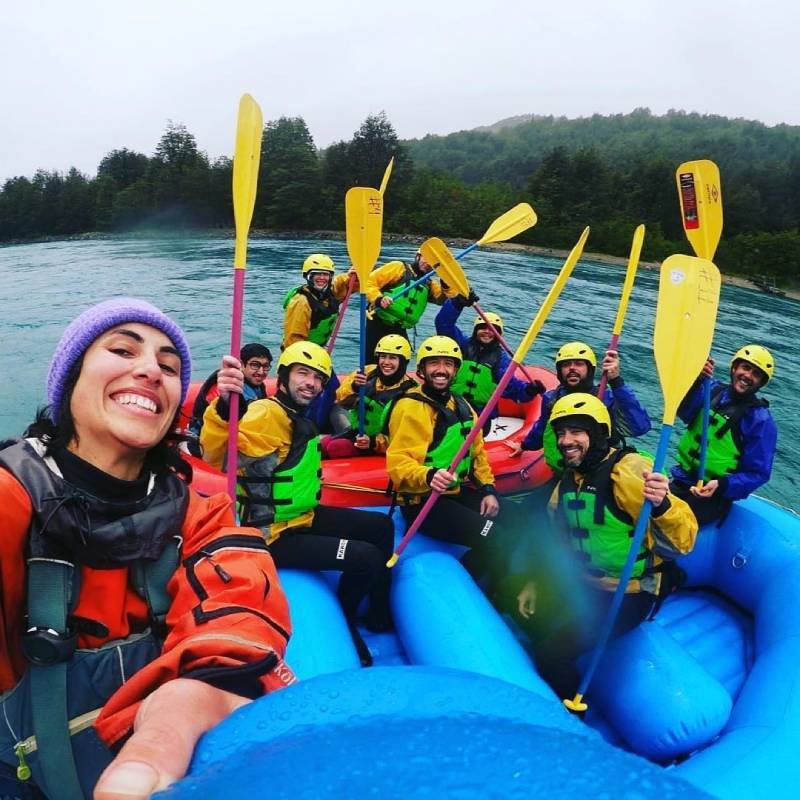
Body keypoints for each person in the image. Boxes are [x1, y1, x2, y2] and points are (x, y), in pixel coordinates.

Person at [0, 299, 294, 800]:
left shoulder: (201, 514)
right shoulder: (12, 497)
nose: (150, 371)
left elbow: (241, 605)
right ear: (70, 379)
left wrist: (194, 696)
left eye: (169, 366)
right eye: (122, 350)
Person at [199, 340, 394, 661]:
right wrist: (222, 410)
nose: (312, 383)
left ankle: (380, 609)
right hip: (273, 534)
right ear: (285, 376)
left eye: (318, 377)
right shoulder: (266, 413)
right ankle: (345, 622)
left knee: (382, 526)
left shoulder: (297, 414)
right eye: (303, 374)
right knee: (367, 556)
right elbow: (220, 454)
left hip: (302, 516)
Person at [512, 393, 698, 699]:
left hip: (630, 592)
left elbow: (684, 541)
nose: (565, 441)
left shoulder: (629, 473)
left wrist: (663, 504)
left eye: (576, 432)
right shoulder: (567, 483)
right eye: (561, 433)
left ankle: (573, 723)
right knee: (518, 606)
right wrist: (535, 582)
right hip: (585, 583)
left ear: (598, 434)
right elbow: (558, 545)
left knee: (550, 654)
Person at [385, 335, 510, 585]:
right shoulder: (411, 407)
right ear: (422, 369)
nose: (441, 370)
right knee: (496, 537)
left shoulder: (463, 405)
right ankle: (471, 586)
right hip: (423, 502)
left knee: (518, 517)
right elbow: (399, 463)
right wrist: (429, 475)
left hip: (454, 494)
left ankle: (494, 580)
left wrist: (487, 489)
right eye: (434, 364)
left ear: (455, 370)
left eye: (448, 364)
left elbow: (478, 455)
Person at [670, 345, 778, 525]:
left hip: (712, 496)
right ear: (734, 368)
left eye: (756, 374)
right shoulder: (712, 389)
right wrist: (696, 381)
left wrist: (722, 485)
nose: (748, 376)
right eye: (745, 368)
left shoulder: (761, 422)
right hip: (682, 479)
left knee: (671, 526)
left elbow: (758, 473)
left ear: (761, 383)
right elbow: (684, 412)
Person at [510, 341, 651, 469]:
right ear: (559, 371)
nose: (572, 368)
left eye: (579, 363)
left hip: (600, 470)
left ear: (589, 369)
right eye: (566, 364)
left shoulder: (605, 398)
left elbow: (639, 427)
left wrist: (616, 381)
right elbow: (541, 429)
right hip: (566, 468)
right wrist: (524, 446)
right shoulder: (552, 398)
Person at [434, 297, 544, 432]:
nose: (487, 331)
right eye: (482, 328)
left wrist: (529, 390)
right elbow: (443, 323)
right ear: (475, 330)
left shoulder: (501, 358)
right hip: (450, 406)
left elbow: (510, 387)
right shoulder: (461, 344)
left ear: (499, 334)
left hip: (478, 416)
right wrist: (457, 303)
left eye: (492, 329)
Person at [324, 334, 418, 458]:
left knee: (336, 448)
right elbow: (340, 398)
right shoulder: (368, 372)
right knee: (321, 446)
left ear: (403, 362)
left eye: (393, 358)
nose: (386, 362)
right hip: (357, 432)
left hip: (377, 444)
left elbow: (405, 436)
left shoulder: (409, 392)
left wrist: (373, 442)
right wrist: (354, 386)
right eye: (383, 357)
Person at [364, 250, 454, 356]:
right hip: (378, 322)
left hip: (399, 328)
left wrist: (446, 286)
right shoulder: (398, 268)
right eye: (426, 258)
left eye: (433, 263)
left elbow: (443, 300)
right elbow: (369, 282)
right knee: (373, 358)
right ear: (417, 257)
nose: (429, 264)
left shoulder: (429, 284)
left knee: (402, 359)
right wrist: (378, 299)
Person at [188, 342, 271, 446]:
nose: (261, 371)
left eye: (266, 366)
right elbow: (214, 424)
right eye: (255, 365)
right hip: (204, 440)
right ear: (241, 364)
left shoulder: (258, 386)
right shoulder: (225, 387)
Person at [282, 254, 353, 350]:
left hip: (317, 351)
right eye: (317, 274)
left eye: (325, 274)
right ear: (308, 276)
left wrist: (351, 276)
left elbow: (343, 284)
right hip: (300, 354)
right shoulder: (301, 302)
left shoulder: (329, 294)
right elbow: (294, 339)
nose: (322, 278)